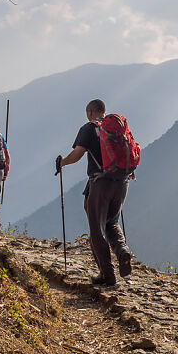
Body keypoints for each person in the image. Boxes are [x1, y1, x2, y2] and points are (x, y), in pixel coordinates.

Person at [56, 99, 132, 286]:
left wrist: (62, 162)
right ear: (103, 112)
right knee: (111, 223)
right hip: (122, 182)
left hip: (100, 184)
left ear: (90, 112)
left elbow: (78, 154)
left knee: (96, 229)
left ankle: (107, 274)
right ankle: (121, 250)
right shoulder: (118, 129)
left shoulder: (89, 128)